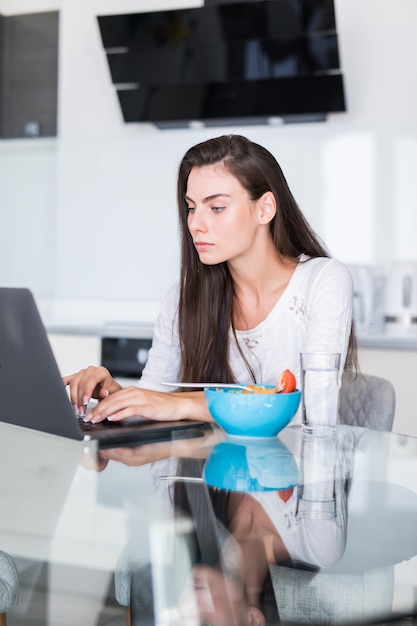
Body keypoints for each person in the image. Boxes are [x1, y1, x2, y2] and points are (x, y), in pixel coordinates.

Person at [63, 134, 356, 424]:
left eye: (216, 208)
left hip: (299, 469)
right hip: (209, 470)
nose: (195, 224)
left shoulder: (323, 281)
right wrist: (118, 397)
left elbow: (313, 411)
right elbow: (155, 398)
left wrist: (178, 405)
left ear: (265, 209)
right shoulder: (183, 299)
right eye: (191, 207)